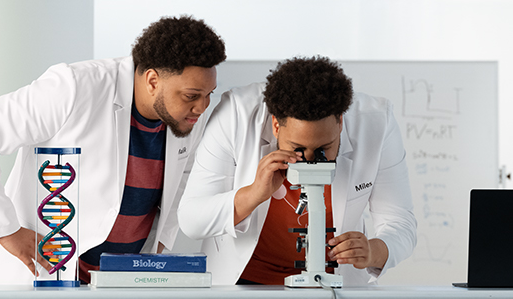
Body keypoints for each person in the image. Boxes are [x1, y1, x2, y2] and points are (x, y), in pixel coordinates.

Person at [0, 15, 226, 284]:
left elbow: (180, 181)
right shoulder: (75, 86)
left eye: (209, 94)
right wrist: (6, 229)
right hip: (39, 274)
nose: (202, 106)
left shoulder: (187, 117)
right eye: (192, 96)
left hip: (116, 282)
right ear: (152, 80)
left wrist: (160, 242)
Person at [178, 56, 417, 286]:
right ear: (275, 125)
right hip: (246, 283)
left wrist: (373, 251)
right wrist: (253, 194)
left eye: (324, 148)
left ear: (341, 122)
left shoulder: (375, 122)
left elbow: (401, 223)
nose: (310, 161)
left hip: (332, 285)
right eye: (298, 149)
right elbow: (191, 220)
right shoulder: (237, 113)